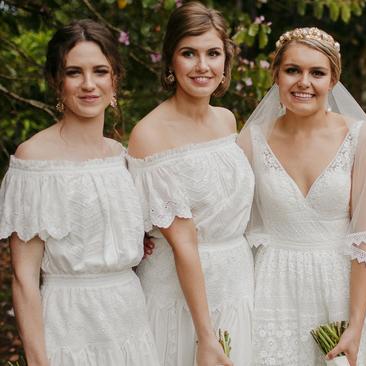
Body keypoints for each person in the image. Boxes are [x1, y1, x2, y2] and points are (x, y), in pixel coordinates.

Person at [238, 27, 366, 366]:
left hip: (342, 288)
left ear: (332, 80)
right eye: (293, 70)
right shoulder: (251, 140)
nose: (304, 82)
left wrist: (355, 325)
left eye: (317, 73)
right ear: (276, 75)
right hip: (272, 290)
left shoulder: (359, 137)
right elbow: (226, 218)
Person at [0, 19, 159, 365]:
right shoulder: (34, 160)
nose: (89, 84)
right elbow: (24, 281)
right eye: (74, 72)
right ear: (57, 82)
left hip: (131, 320)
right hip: (69, 327)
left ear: (114, 79)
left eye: (100, 71)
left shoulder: (121, 156)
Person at [127, 3, 253, 366]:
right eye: (189, 54)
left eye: (213, 53)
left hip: (237, 280)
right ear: (170, 61)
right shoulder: (149, 134)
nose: (202, 66)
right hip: (181, 298)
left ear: (226, 62)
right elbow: (184, 245)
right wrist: (206, 335)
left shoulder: (227, 120)